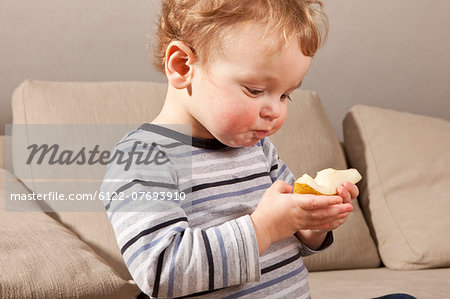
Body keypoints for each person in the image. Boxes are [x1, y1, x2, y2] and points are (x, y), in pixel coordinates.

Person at [101, 0, 358, 297]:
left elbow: (292, 233)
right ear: (183, 66)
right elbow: (160, 272)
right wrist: (263, 228)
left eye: (286, 95)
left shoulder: (259, 148)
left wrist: (314, 224)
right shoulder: (142, 158)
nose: (274, 110)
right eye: (256, 90)